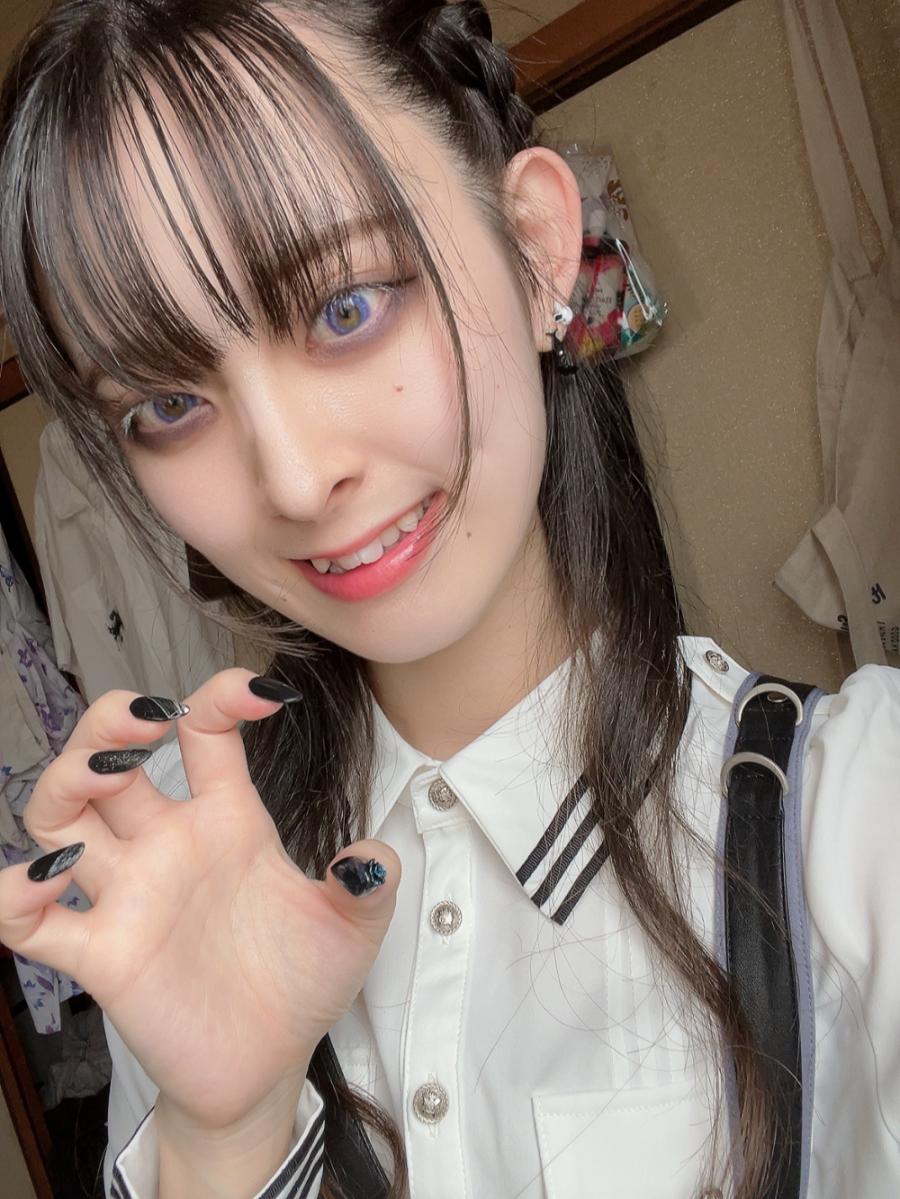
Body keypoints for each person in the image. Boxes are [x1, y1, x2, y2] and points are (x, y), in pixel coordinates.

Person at [0, 2, 897, 1197]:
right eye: (165, 405)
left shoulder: (857, 823)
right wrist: (227, 1129)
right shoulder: (182, 862)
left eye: (346, 305)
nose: (295, 479)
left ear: (534, 245)